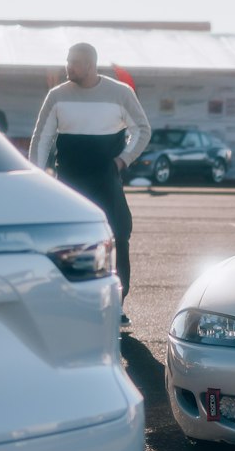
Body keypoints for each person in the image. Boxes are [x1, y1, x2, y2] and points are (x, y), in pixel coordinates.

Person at [29, 43, 151, 326]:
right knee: (72, 242)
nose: (68, 66)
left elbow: (142, 130)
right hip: (70, 179)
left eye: (75, 62)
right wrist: (35, 176)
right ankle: (73, 302)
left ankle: (117, 305)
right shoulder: (56, 95)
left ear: (90, 64)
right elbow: (42, 138)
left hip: (106, 177)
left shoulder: (121, 93)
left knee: (119, 235)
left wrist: (123, 160)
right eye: (68, 60)